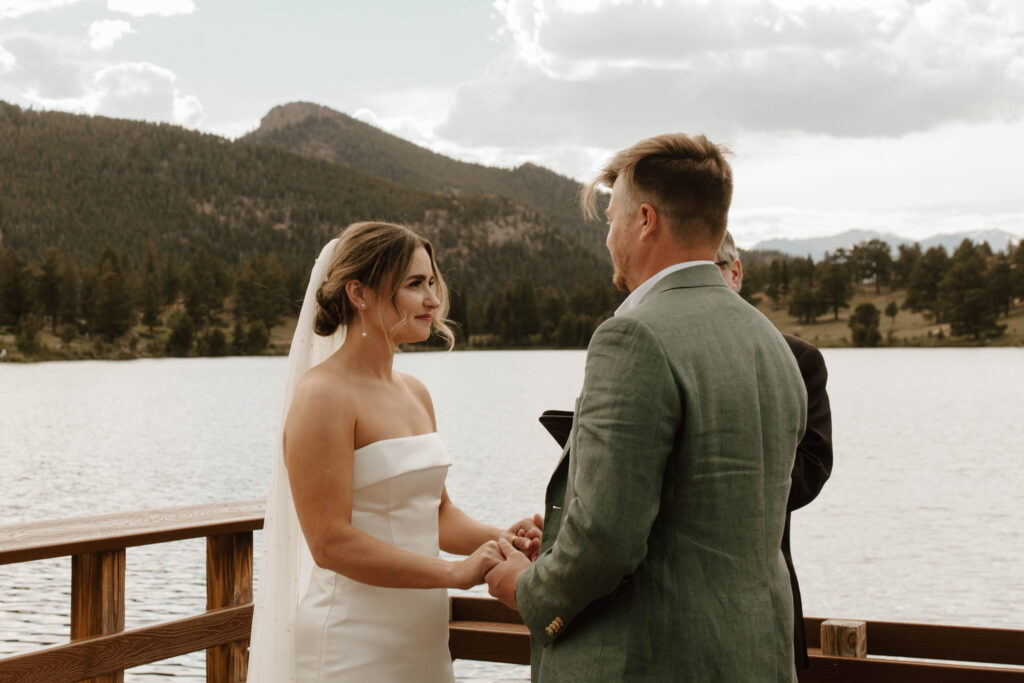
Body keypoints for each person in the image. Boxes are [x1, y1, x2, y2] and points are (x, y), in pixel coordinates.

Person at [485, 133, 807, 681]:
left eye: (612, 218)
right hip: (757, 658)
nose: (609, 235)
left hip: (649, 661)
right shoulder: (770, 341)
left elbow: (606, 541)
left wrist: (524, 588)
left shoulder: (632, 337)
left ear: (646, 220)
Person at [246, 221, 540, 683]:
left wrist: (505, 539)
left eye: (431, 283)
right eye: (414, 285)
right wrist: (454, 573)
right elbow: (329, 543)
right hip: (352, 640)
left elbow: (437, 514)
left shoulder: (416, 393)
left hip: (421, 637)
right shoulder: (323, 395)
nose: (433, 301)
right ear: (359, 293)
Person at [717, 230, 834, 673]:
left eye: (711, 273)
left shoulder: (798, 359)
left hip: (762, 591)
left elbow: (811, 470)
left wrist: (710, 482)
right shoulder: (651, 351)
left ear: (736, 274)